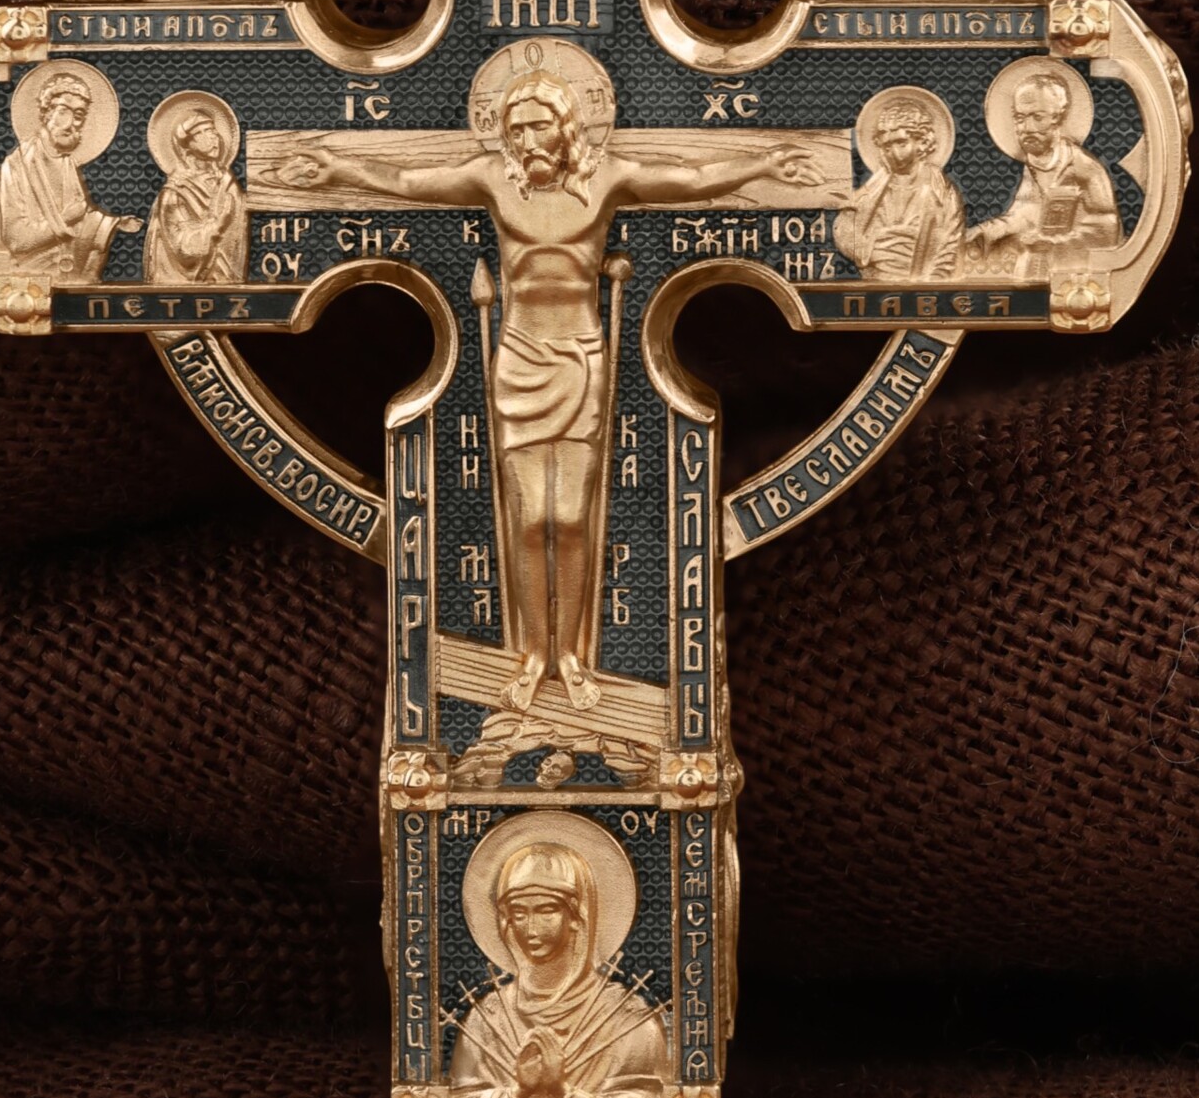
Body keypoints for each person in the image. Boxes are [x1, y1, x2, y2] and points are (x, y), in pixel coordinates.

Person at [273, 65, 819, 714]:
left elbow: (692, 180)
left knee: (572, 518)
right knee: (532, 518)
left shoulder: (606, 178)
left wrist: (765, 164)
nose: (528, 141)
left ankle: (570, 657)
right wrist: (338, 167)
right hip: (521, 360)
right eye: (516, 130)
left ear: (566, 128)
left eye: (539, 127)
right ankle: (534, 654)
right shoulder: (493, 180)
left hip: (581, 360)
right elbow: (410, 182)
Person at [450, 838, 667, 1098]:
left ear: (577, 916)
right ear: (505, 921)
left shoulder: (625, 1015)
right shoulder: (488, 1016)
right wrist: (517, 1093)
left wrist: (565, 1091)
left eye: (546, 910)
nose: (531, 928)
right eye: (519, 913)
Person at [0, 70, 140, 283]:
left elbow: (80, 215)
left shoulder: (66, 162)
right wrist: (65, 219)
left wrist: (113, 223)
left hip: (67, 268)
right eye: (63, 111)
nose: (70, 123)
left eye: (78, 116)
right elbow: (17, 240)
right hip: (28, 278)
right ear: (46, 113)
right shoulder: (18, 165)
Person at [968, 68, 1121, 279]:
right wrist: (988, 230)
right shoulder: (1033, 163)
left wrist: (1055, 243)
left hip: (1074, 275)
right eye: (1019, 118)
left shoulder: (1084, 167)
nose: (1027, 128)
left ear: (1057, 117)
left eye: (1037, 117)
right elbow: (1024, 214)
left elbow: (1107, 226)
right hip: (1034, 265)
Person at [833, 92, 965, 280]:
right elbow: (845, 232)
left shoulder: (942, 193)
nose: (894, 153)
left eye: (901, 143)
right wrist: (873, 250)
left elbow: (949, 251)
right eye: (887, 146)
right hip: (877, 283)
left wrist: (931, 285)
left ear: (922, 142)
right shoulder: (873, 191)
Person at [144, 102, 246, 285]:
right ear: (186, 146)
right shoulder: (175, 192)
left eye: (213, 131)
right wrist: (217, 225)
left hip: (227, 280)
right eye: (201, 132)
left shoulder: (228, 183)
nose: (213, 137)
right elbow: (182, 248)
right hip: (188, 284)